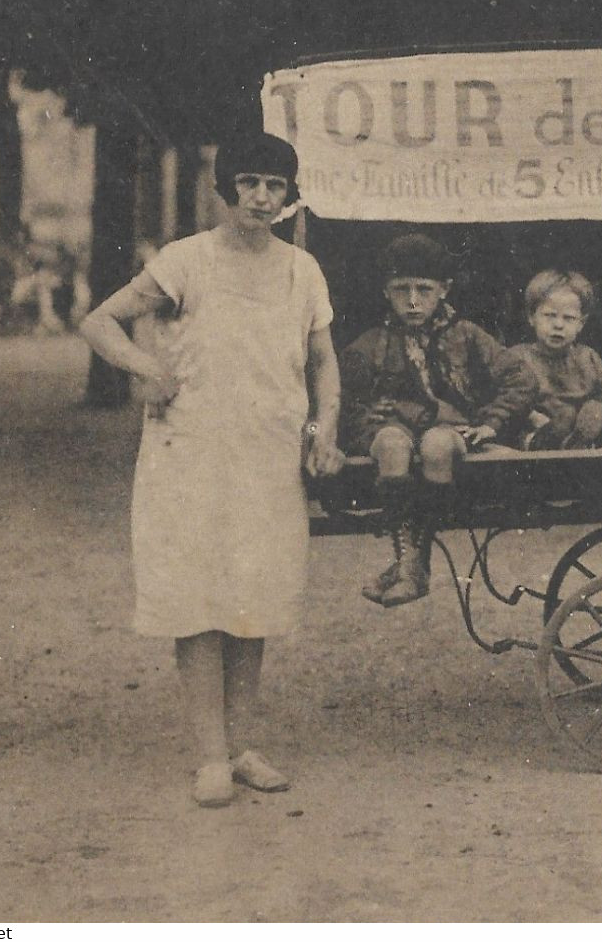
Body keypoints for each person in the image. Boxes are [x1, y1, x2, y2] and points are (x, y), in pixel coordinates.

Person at [80, 132, 344, 808]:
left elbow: (322, 365)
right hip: (189, 454)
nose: (260, 196)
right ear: (226, 191)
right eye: (249, 183)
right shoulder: (185, 261)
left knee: (253, 600)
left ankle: (243, 745)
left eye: (273, 186)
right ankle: (208, 758)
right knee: (198, 599)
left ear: (288, 197)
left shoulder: (300, 270)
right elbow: (100, 323)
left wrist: (322, 432)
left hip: (268, 454)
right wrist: (148, 370)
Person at [340, 233, 534, 608]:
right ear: (386, 291)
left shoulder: (467, 336)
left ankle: (412, 565)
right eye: (401, 289)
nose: (413, 301)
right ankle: (411, 567)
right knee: (394, 444)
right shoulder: (372, 343)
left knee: (436, 445)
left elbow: (521, 378)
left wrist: (491, 421)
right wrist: (365, 416)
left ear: (444, 290)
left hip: (446, 431)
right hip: (390, 433)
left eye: (424, 289)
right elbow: (342, 396)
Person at [495, 270, 602, 450]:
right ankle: (544, 441)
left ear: (581, 323)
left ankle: (578, 444)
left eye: (569, 318)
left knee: (594, 409)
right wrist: (533, 418)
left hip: (577, 429)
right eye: (549, 315)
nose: (558, 325)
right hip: (533, 428)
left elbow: (601, 395)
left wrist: (594, 412)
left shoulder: (587, 358)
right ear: (531, 317)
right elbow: (502, 399)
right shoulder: (517, 357)